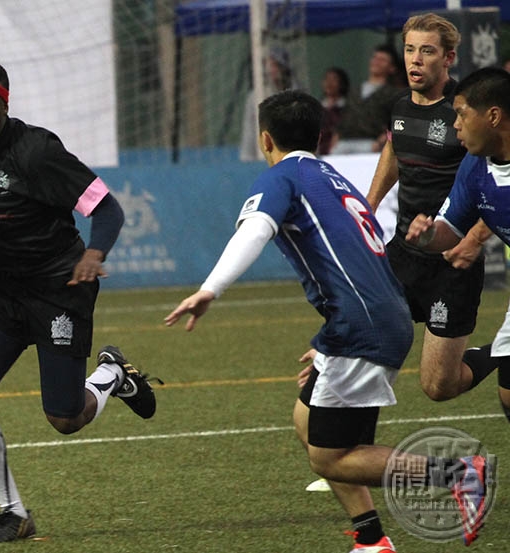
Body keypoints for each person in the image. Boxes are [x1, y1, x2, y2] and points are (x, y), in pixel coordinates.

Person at [165, 89, 490, 551]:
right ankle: (371, 538)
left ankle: (459, 475)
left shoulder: (282, 178)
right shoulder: (329, 175)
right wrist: (328, 339)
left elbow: (255, 229)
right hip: (371, 316)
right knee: (305, 418)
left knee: (331, 458)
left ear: (265, 139)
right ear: (318, 136)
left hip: (362, 326)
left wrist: (209, 289)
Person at [0, 59, 159, 544]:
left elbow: (106, 207)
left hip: (58, 287)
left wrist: (95, 252)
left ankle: (112, 375)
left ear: (5, 106)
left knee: (65, 418)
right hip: (0, 291)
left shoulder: (36, 151)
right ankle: (13, 514)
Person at [366, 13, 494, 404]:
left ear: (449, 58)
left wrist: (473, 239)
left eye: (426, 51)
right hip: (403, 253)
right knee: (363, 340)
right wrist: (367, 207)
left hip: (450, 261)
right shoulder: (399, 105)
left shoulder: (466, 113)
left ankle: (502, 354)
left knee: (439, 386)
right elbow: (394, 150)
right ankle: (343, 451)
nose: (415, 60)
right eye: (409, 50)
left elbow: (500, 183)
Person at [406, 66, 510, 422]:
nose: (455, 126)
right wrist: (430, 235)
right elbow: (449, 232)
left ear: (493, 116)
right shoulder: (475, 167)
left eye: (462, 114)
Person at [331, 44, 405, 154]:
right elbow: (344, 117)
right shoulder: (355, 90)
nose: (376, 62)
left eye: (382, 60)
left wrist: (381, 141)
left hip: (370, 143)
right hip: (343, 142)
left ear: (392, 68)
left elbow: (397, 121)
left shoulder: (394, 93)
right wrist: (335, 138)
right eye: (375, 57)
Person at [240, 49, 294, 161]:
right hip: (264, 158)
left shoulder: (297, 93)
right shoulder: (256, 96)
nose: (271, 70)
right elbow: (250, 130)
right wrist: (247, 157)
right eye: (268, 65)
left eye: (275, 65)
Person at [318, 67, 349, 155]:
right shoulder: (317, 108)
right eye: (327, 79)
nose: (329, 83)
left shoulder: (348, 108)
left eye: (334, 79)